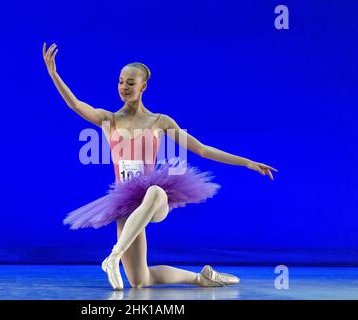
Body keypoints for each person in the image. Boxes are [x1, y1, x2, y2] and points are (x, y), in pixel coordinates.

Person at [43, 42, 278, 290]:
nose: (124, 87)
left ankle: (113, 257)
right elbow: (76, 105)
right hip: (125, 204)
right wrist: (54, 75)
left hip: (154, 200)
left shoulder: (159, 121)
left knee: (154, 191)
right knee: (139, 281)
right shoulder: (109, 119)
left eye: (130, 83)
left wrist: (248, 162)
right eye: (121, 81)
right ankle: (201, 278)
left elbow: (202, 149)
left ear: (143, 87)